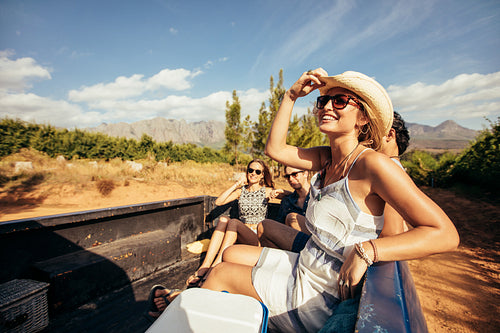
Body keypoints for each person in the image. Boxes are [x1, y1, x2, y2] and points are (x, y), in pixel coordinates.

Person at [152, 70, 459, 332]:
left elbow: (444, 233)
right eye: (323, 100)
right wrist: (290, 96)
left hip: (323, 289)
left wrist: (369, 250)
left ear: (362, 116)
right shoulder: (325, 158)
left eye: (340, 101)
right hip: (306, 262)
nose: (327, 106)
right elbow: (276, 149)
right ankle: (201, 309)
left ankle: (189, 313)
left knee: (220, 273)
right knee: (231, 252)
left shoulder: (373, 166)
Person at [258, 110, 411, 253]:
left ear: (390, 135)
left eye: (370, 129)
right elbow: (275, 150)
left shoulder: (387, 170)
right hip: (327, 248)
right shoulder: (358, 162)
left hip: (338, 256)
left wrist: (364, 256)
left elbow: (392, 233)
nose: (363, 135)